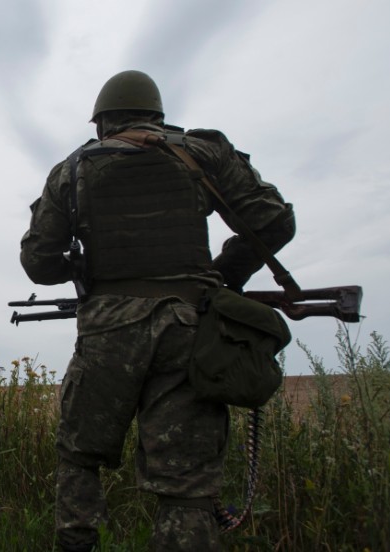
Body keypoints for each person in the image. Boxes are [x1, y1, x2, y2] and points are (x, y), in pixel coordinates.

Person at [20, 70, 296, 551]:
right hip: (192, 329)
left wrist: (81, 267)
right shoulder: (203, 152)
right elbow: (272, 219)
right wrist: (224, 277)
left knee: (79, 455)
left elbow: (39, 263)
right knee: (186, 484)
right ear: (157, 114)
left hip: (108, 331)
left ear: (103, 120)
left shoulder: (73, 168)